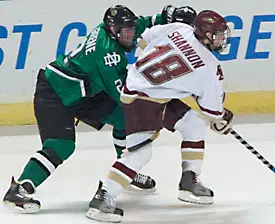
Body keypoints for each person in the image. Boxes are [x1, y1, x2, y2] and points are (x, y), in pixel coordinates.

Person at [2, 5, 197, 213]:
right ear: (114, 30)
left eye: (131, 30)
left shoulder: (117, 29)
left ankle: (126, 170)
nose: (132, 36)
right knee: (61, 145)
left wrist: (168, 16)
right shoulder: (107, 54)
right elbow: (126, 97)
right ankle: (20, 189)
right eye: (128, 32)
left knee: (123, 118)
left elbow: (145, 22)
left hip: (84, 92)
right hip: (54, 93)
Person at [86, 10, 234, 223]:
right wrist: (222, 119)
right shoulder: (208, 68)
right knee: (140, 154)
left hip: (139, 87)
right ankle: (104, 197)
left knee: (193, 123)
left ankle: (189, 181)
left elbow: (144, 40)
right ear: (206, 34)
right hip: (144, 101)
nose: (222, 39)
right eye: (218, 34)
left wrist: (170, 80)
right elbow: (213, 113)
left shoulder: (179, 28)